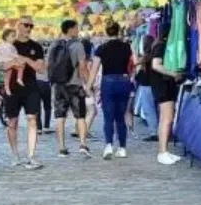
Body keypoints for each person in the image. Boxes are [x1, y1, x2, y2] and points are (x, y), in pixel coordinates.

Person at [5, 16, 47, 169]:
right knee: (12, 122)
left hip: (30, 86)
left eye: (31, 26)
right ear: (18, 26)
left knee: (32, 119)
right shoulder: (9, 45)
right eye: (26, 25)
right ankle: (15, 154)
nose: (28, 28)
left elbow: (41, 69)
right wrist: (11, 62)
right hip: (12, 87)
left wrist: (27, 59)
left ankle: (31, 155)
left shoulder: (36, 46)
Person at [93, 22, 136, 160]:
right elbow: (134, 63)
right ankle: (122, 148)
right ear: (118, 32)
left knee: (108, 117)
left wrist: (89, 85)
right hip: (124, 81)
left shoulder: (101, 48)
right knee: (121, 116)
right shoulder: (127, 46)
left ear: (106, 32)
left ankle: (108, 146)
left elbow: (94, 68)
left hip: (108, 81)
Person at [49, 20, 90, 158]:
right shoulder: (78, 45)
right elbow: (83, 66)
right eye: (76, 28)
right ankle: (83, 144)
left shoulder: (54, 45)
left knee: (60, 116)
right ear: (70, 30)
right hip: (74, 85)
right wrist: (89, 83)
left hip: (59, 85)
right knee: (80, 115)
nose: (78, 30)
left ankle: (62, 148)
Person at [150, 31, 183, 165]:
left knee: (165, 119)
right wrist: (173, 74)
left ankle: (164, 151)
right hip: (162, 86)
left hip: (165, 86)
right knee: (167, 119)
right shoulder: (161, 46)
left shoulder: (160, 45)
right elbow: (155, 65)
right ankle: (162, 152)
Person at [134, 36, 160, 140]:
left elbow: (135, 63)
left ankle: (154, 132)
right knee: (155, 109)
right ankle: (158, 131)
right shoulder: (154, 54)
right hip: (154, 84)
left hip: (146, 85)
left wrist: (133, 51)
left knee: (149, 109)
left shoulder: (146, 56)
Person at [0, 29, 23, 95]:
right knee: (20, 66)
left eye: (15, 36)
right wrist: (17, 57)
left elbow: (14, 54)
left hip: (6, 62)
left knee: (8, 75)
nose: (14, 38)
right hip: (4, 62)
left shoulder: (10, 46)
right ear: (6, 37)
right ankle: (18, 78)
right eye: (12, 36)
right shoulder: (5, 45)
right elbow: (10, 54)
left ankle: (8, 87)